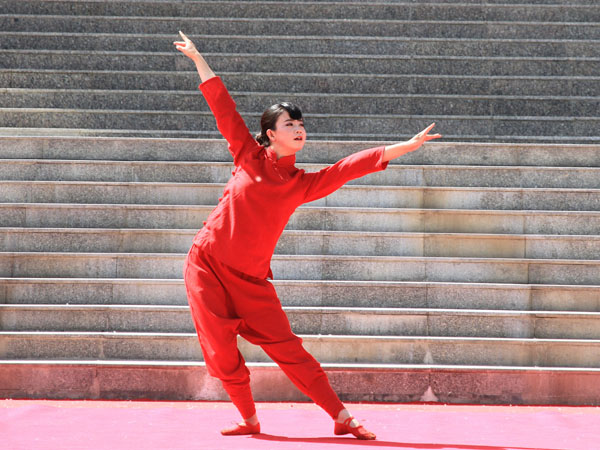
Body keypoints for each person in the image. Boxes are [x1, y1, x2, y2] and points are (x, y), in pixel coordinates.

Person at [174, 31, 441, 440]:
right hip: (206, 266)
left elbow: (348, 167)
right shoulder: (247, 154)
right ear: (270, 134)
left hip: (251, 280)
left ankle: (341, 416)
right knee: (220, 350)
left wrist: (403, 146)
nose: (299, 129)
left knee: (288, 349)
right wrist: (197, 58)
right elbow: (222, 106)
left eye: (300, 124)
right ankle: (248, 418)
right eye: (290, 124)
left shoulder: (301, 184)